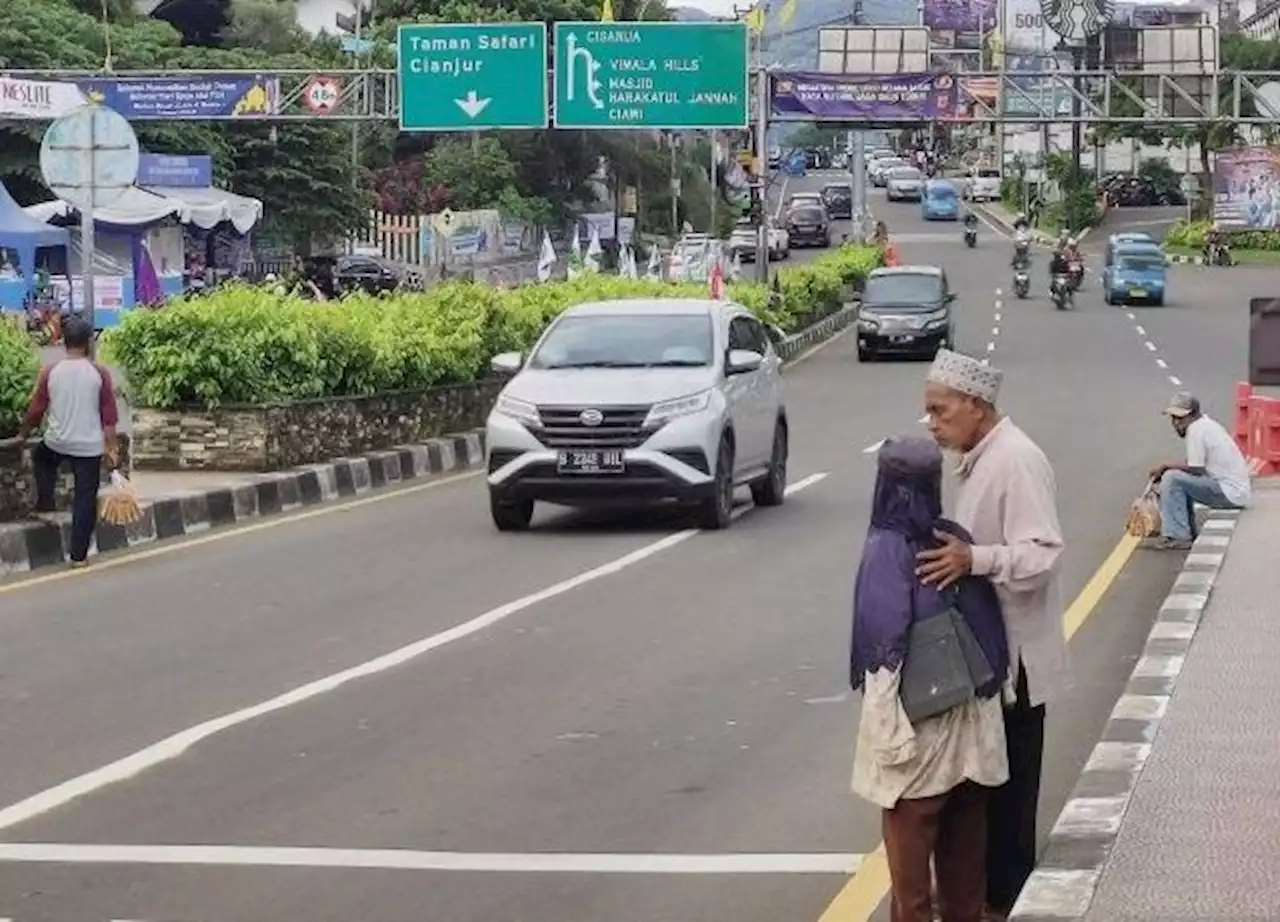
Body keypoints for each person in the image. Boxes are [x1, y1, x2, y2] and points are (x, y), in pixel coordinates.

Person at [918, 349, 1068, 921]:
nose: (933, 424)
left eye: (940, 411)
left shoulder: (1016, 461)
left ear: (976, 406)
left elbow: (1044, 556)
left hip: (1018, 660)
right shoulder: (980, 456)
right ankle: (984, 894)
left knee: (1009, 792)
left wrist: (973, 559)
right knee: (986, 783)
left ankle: (1007, 900)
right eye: (928, 413)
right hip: (989, 655)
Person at [850, 437, 1011, 922]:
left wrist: (884, 730)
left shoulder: (887, 547)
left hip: (919, 727)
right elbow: (987, 621)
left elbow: (883, 640)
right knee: (965, 870)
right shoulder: (952, 538)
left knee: (912, 882)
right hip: (973, 724)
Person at [14, 317, 120, 567]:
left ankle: (46, 502)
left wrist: (23, 435)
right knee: (85, 499)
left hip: (57, 442)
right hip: (89, 447)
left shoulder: (50, 371)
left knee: (41, 458)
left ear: (64, 341)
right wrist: (111, 449)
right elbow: (109, 419)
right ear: (88, 343)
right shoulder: (99, 373)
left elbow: (35, 411)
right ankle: (78, 556)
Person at [1147, 392, 1251, 550]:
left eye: (1180, 419)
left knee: (1172, 478)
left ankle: (1178, 535)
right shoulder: (1205, 425)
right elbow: (1194, 465)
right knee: (1178, 477)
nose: (1176, 423)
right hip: (1233, 491)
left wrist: (1165, 467)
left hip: (1230, 493)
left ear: (1192, 415)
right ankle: (1184, 531)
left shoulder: (1196, 430)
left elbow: (1196, 469)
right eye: (1173, 418)